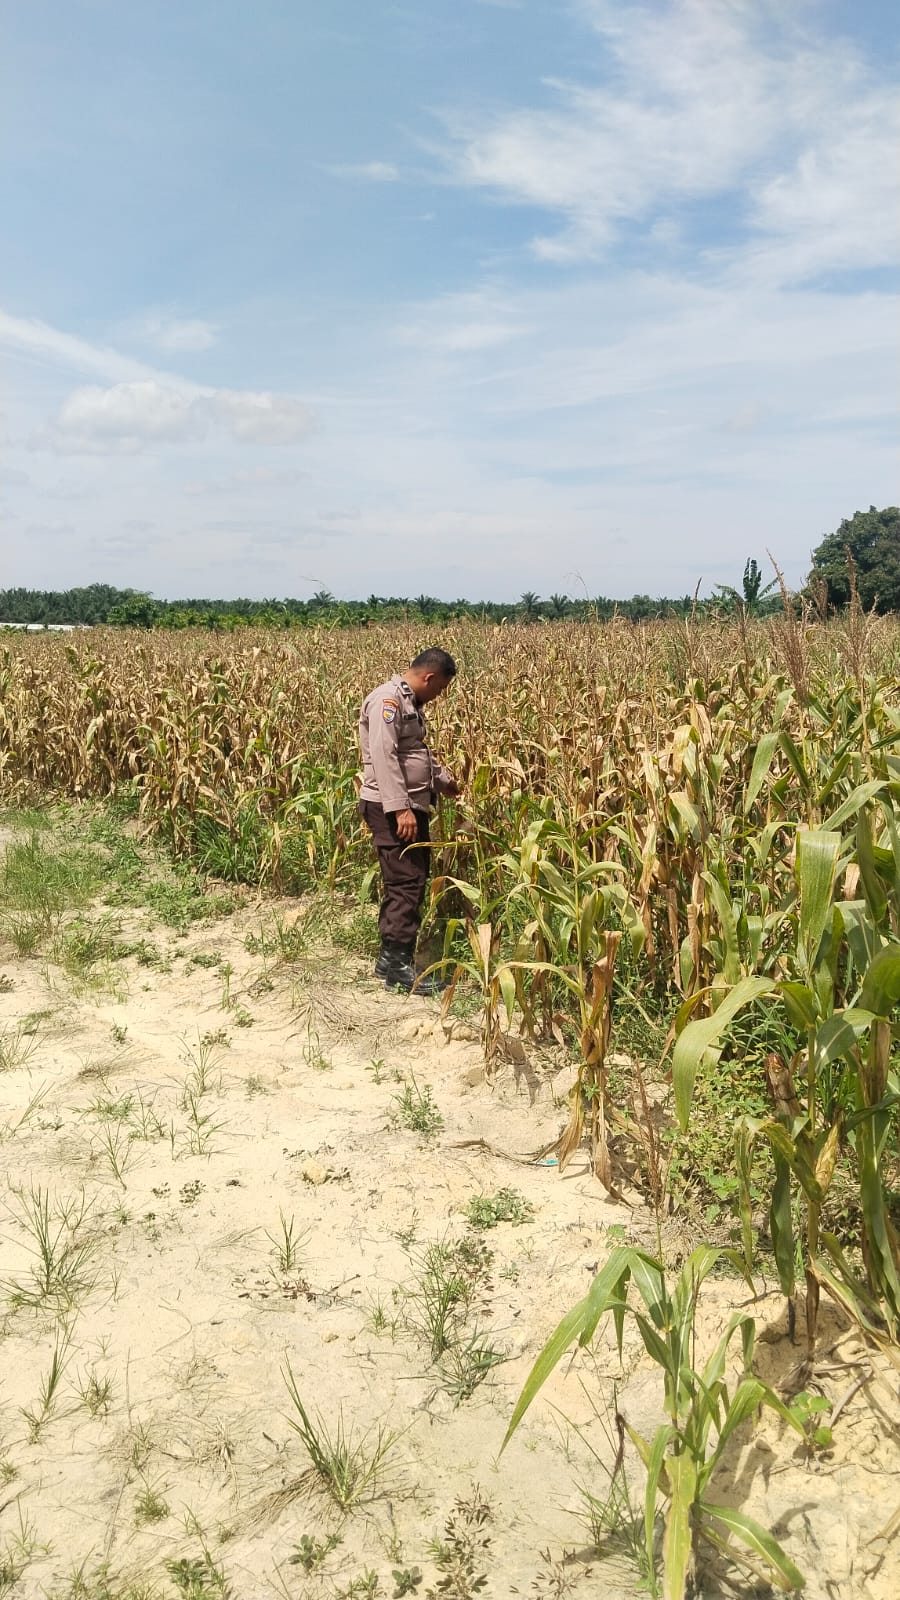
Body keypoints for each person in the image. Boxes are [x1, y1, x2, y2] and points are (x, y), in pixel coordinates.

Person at [358, 648, 460, 993]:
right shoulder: (387, 701)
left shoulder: (409, 703)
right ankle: (399, 968)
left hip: (411, 805)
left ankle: (390, 959)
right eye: (440, 689)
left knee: (409, 880)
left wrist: (443, 780)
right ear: (429, 678)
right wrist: (400, 808)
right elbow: (384, 757)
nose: (438, 696)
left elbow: (414, 751)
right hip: (393, 809)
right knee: (407, 883)